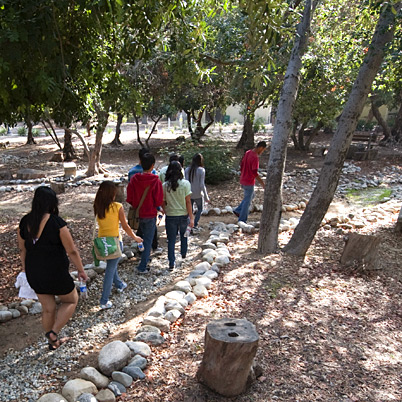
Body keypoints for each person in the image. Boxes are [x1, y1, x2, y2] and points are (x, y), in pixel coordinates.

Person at [17, 186, 88, 350]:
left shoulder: (25, 222)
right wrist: (81, 270)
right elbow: (72, 251)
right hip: (55, 272)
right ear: (52, 203)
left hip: (35, 272)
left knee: (48, 309)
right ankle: (53, 333)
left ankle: (52, 342)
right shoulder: (57, 223)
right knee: (71, 299)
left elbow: (22, 249)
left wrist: (25, 269)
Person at [94, 181, 143, 309]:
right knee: (110, 270)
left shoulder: (97, 206)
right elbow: (125, 226)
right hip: (114, 242)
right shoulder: (117, 207)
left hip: (103, 243)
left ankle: (119, 285)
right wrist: (135, 237)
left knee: (112, 265)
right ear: (112, 194)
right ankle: (104, 300)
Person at [126, 153, 163, 274]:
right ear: (152, 166)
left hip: (137, 214)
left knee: (140, 236)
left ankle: (143, 257)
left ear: (140, 163)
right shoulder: (155, 180)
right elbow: (158, 200)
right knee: (148, 239)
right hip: (150, 214)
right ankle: (143, 265)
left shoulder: (134, 179)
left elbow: (129, 198)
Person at [163, 161, 194, 271]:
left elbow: (163, 201)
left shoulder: (165, 185)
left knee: (171, 240)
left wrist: (165, 211)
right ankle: (184, 253)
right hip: (183, 214)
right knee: (184, 235)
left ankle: (171, 262)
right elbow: (188, 202)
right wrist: (191, 217)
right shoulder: (186, 184)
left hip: (171, 215)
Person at [128, 147, 160, 251]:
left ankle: (140, 248)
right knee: (151, 231)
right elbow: (157, 195)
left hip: (138, 208)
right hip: (150, 209)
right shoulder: (154, 175)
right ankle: (149, 251)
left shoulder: (132, 173)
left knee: (140, 229)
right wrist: (158, 207)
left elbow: (130, 192)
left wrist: (134, 204)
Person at [233, 141, 267, 223]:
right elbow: (254, 172)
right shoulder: (255, 157)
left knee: (251, 196)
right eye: (263, 150)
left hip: (243, 178)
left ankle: (238, 210)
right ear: (261, 148)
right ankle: (242, 219)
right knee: (247, 201)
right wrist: (262, 183)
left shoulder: (248, 152)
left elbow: (242, 164)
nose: (262, 152)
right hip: (249, 181)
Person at [184, 153, 210, 232]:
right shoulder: (201, 170)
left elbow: (185, 182)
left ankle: (189, 223)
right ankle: (195, 223)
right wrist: (206, 197)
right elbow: (202, 185)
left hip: (189, 193)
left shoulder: (187, 169)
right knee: (200, 209)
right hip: (198, 194)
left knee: (189, 210)